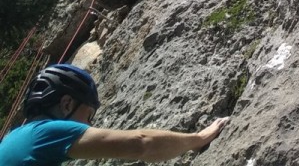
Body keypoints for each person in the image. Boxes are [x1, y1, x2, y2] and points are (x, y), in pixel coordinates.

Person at [0, 63, 229, 165]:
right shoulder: (46, 134)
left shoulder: (13, 140)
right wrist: (198, 139)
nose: (89, 124)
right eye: (89, 116)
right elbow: (141, 144)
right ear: (67, 104)